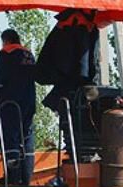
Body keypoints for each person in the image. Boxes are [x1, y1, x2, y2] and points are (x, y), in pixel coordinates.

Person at [34, 9, 99, 151]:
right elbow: (88, 64)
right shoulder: (86, 27)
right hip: (75, 85)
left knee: (70, 119)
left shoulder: (62, 27)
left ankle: (71, 144)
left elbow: (46, 62)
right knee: (80, 119)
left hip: (66, 83)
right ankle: (76, 146)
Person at [0, 29, 36, 185]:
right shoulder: (28, 55)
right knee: (27, 137)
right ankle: (27, 177)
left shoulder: (5, 54)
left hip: (10, 103)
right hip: (28, 104)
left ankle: (13, 177)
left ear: (6, 40)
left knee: (11, 139)